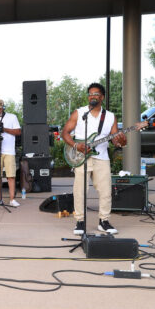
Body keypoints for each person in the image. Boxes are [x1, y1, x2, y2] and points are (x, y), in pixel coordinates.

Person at [62, 83, 126, 235]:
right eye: (90, 94)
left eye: (96, 94)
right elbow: (65, 133)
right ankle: (80, 221)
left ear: (102, 97)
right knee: (80, 190)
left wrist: (121, 141)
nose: (92, 96)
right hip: (80, 157)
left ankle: (103, 221)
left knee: (105, 191)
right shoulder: (80, 113)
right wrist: (77, 145)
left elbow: (115, 140)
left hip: (102, 157)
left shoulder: (110, 117)